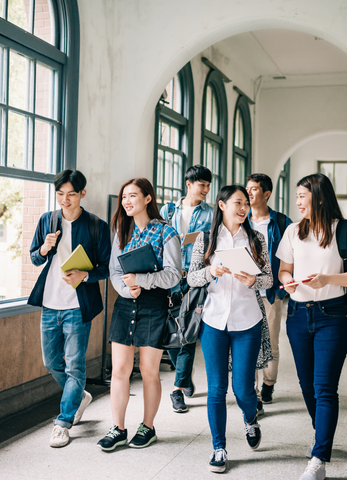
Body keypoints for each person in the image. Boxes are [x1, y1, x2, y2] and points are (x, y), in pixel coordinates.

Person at [277, 173, 347, 480]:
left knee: (324, 388)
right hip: (299, 315)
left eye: (302, 196)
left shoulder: (344, 230)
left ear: (318, 196)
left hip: (333, 315)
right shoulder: (293, 231)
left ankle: (318, 459)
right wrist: (286, 281)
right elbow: (284, 269)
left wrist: (328, 278)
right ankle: (322, 438)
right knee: (306, 386)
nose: (298, 202)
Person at [187, 185, 273, 473]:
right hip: (214, 320)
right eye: (237, 202)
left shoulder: (256, 238)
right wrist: (210, 271)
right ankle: (219, 448)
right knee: (216, 389)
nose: (243, 208)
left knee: (243, 389)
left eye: (246, 203)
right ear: (221, 205)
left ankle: (250, 419)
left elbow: (269, 280)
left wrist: (253, 281)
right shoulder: (206, 238)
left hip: (247, 320)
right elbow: (191, 278)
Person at [28, 169, 111, 448]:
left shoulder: (96, 225)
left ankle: (63, 423)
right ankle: (79, 396)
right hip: (50, 304)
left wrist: (84, 275)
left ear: (82, 194)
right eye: (60, 194)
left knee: (75, 365)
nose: (65, 199)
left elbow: (106, 267)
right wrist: (43, 249)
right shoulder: (47, 221)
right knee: (51, 361)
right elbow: (34, 258)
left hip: (77, 306)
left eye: (71, 194)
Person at [97, 178, 182, 451]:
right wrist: (125, 288)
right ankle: (118, 428)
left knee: (148, 371)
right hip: (125, 303)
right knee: (120, 370)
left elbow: (172, 275)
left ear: (148, 198)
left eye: (133, 196)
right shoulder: (122, 229)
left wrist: (141, 282)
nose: (127, 201)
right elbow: (114, 270)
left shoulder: (167, 233)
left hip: (154, 304)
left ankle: (148, 426)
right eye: (124, 197)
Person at [160, 164, 214, 413]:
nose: (206, 189)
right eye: (202, 184)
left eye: (208, 185)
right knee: (172, 334)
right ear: (189, 184)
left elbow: (212, 246)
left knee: (189, 333)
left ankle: (177, 389)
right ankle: (185, 375)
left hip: (194, 279)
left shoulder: (211, 214)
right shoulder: (168, 210)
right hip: (168, 278)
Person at [246, 173, 292, 415]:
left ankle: (268, 384)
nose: (249, 193)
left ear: (267, 194)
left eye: (254, 189)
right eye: (247, 189)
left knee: (271, 342)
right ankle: (251, 393)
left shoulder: (282, 222)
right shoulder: (241, 220)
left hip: (270, 292)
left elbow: (290, 257)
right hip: (244, 292)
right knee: (248, 343)